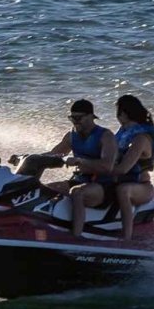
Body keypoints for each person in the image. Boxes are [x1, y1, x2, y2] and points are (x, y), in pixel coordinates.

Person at [41, 98, 117, 238]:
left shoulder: (105, 136)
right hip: (80, 180)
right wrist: (28, 158)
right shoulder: (71, 136)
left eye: (78, 118)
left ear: (91, 117)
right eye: (72, 118)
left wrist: (80, 161)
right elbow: (53, 155)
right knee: (44, 189)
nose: (75, 121)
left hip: (103, 186)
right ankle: (45, 229)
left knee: (77, 192)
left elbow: (107, 166)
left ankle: (76, 236)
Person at [110, 95, 154, 240]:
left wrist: (95, 167)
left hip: (141, 187)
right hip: (115, 181)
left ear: (124, 113)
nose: (118, 116)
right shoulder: (124, 132)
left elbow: (123, 169)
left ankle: (127, 237)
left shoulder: (141, 138)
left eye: (118, 112)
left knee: (123, 190)